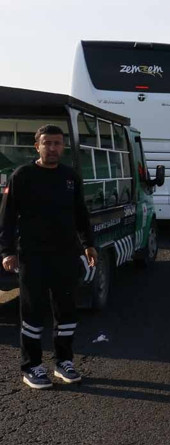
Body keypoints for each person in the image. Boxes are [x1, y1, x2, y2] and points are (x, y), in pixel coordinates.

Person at [0, 124, 97, 389]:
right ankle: (32, 366)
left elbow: (81, 214)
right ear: (37, 146)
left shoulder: (70, 177)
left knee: (66, 311)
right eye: (47, 143)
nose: (52, 148)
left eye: (57, 143)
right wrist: (7, 252)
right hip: (33, 257)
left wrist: (88, 244)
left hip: (66, 255)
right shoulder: (22, 176)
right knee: (32, 312)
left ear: (63, 146)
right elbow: (7, 219)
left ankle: (64, 362)